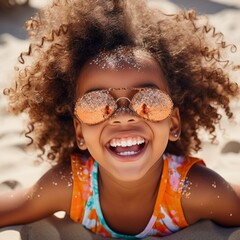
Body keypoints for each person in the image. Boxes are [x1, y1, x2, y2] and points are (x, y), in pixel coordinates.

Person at [0, 0, 240, 238]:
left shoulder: (198, 192)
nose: (123, 116)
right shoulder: (70, 188)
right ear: (80, 132)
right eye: (96, 104)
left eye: (148, 100)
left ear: (173, 123)